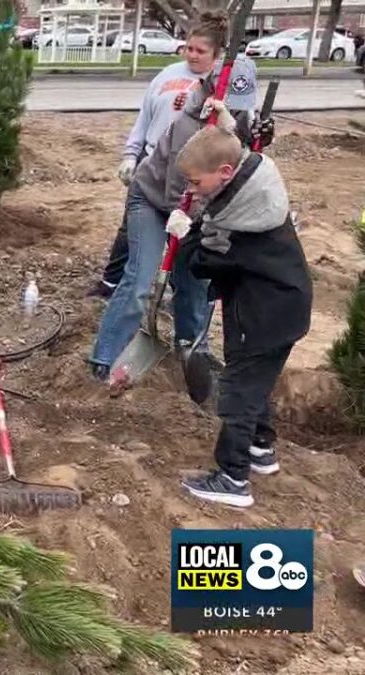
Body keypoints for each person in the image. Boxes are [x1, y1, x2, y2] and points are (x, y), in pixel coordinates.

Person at [88, 56, 269, 382]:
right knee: (141, 280)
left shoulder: (237, 120)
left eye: (241, 106)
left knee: (193, 285)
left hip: (193, 213)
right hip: (154, 199)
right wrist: (186, 221)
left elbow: (241, 172)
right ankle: (104, 357)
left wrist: (258, 141)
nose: (237, 111)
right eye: (232, 104)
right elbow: (180, 185)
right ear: (213, 90)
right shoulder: (190, 124)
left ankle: (191, 353)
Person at [173, 127, 311, 507]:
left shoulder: (244, 227)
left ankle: (233, 479)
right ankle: (260, 449)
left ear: (225, 172)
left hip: (263, 317)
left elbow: (203, 263)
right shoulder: (251, 192)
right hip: (281, 308)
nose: (193, 189)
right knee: (257, 382)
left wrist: (186, 237)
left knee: (238, 391)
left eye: (196, 181)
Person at [86, 12, 232, 300]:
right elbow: (145, 118)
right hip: (152, 163)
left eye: (200, 51)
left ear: (217, 54)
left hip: (193, 175)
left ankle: (177, 292)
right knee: (131, 229)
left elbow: (232, 133)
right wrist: (131, 155)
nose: (192, 55)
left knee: (182, 235)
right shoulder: (167, 75)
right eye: (189, 48)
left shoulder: (221, 86)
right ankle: (110, 284)